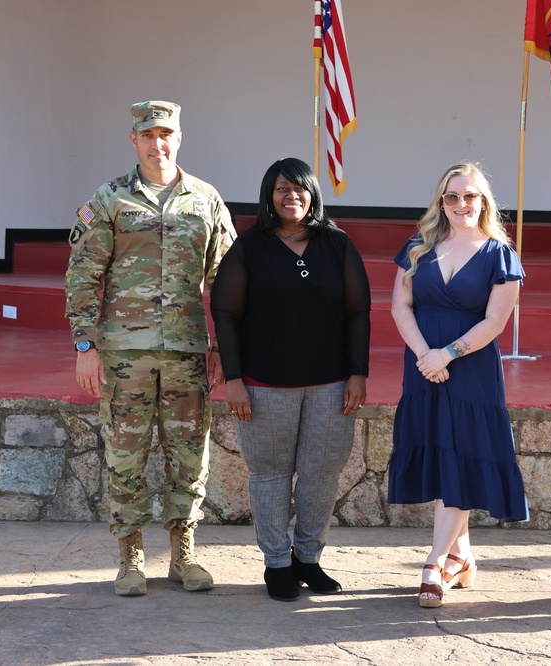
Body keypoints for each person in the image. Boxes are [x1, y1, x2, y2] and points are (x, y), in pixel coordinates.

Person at [65, 101, 236, 596]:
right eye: (147, 135)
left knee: (189, 454)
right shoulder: (110, 199)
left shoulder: (204, 199)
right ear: (133, 140)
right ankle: (130, 556)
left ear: (179, 138)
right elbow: (82, 275)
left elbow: (224, 282)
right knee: (125, 454)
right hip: (124, 355)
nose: (157, 144)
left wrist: (225, 348)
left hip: (186, 352)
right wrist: (85, 345)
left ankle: (184, 553)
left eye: (166, 134)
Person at [211, 158, 370, 601]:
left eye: (299, 187)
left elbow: (358, 312)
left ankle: (309, 559)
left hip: (331, 384)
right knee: (270, 475)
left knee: (322, 474)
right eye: (281, 188)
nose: (290, 196)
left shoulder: (337, 245)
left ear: (312, 193)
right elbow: (225, 312)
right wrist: (234, 379)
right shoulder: (249, 248)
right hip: (263, 385)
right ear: (269, 195)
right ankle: (277, 564)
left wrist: (358, 373)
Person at [387, 162, 529, 608]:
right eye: (452, 196)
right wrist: (424, 356)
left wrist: (447, 354)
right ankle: (461, 557)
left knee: (460, 455)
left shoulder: (499, 253)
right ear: (440, 202)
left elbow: (496, 321)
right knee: (441, 454)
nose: (461, 204)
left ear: (483, 201)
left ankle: (433, 563)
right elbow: (400, 306)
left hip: (470, 369)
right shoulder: (418, 247)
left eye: (470, 196)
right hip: (423, 365)